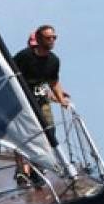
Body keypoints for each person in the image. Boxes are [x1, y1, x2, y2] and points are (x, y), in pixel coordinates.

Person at [11, 24, 70, 182]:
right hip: (22, 102)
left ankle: (37, 168)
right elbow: (9, 73)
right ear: (39, 39)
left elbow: (53, 81)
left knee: (48, 132)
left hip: (42, 101)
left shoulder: (54, 60)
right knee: (22, 135)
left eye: (54, 37)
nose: (52, 40)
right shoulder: (24, 56)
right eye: (48, 38)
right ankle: (22, 171)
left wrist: (61, 98)